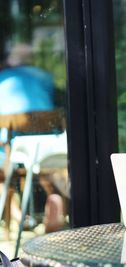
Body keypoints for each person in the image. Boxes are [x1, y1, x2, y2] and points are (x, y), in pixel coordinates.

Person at [0, 43, 66, 233]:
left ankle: (17, 216)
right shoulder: (44, 76)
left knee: (2, 171)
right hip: (48, 148)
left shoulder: (3, 78)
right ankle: (55, 207)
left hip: (14, 152)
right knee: (49, 169)